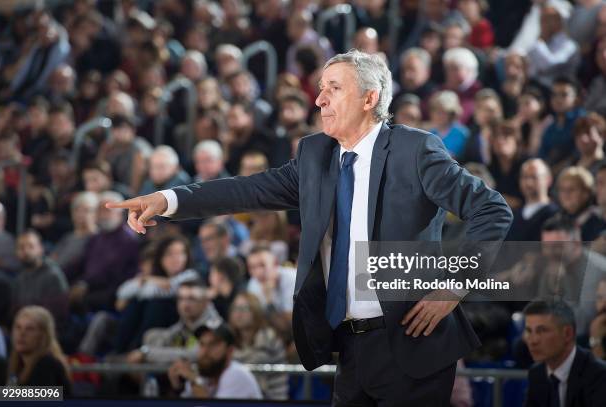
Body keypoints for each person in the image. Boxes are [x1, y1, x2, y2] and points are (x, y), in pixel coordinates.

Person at [108, 49, 512, 405]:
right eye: (320, 88)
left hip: (413, 342)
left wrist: (454, 284)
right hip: (349, 346)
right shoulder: (315, 155)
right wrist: (168, 200)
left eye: (333, 88)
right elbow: (247, 190)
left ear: (370, 98)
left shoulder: (415, 149)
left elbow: (492, 209)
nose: (319, 99)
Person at [523, 300, 606, 407]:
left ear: (567, 334)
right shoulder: (537, 374)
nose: (533, 341)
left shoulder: (599, 375)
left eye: (542, 330)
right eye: (529, 331)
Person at [167, 323, 262, 399]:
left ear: (230, 351)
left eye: (213, 344)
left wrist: (195, 381)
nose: (205, 351)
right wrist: (178, 388)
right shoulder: (206, 376)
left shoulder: (237, 374)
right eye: (202, 344)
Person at [7, 306, 72, 394]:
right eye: (18, 327)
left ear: (43, 336)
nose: (21, 334)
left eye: (30, 329)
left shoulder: (48, 365)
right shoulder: (16, 365)